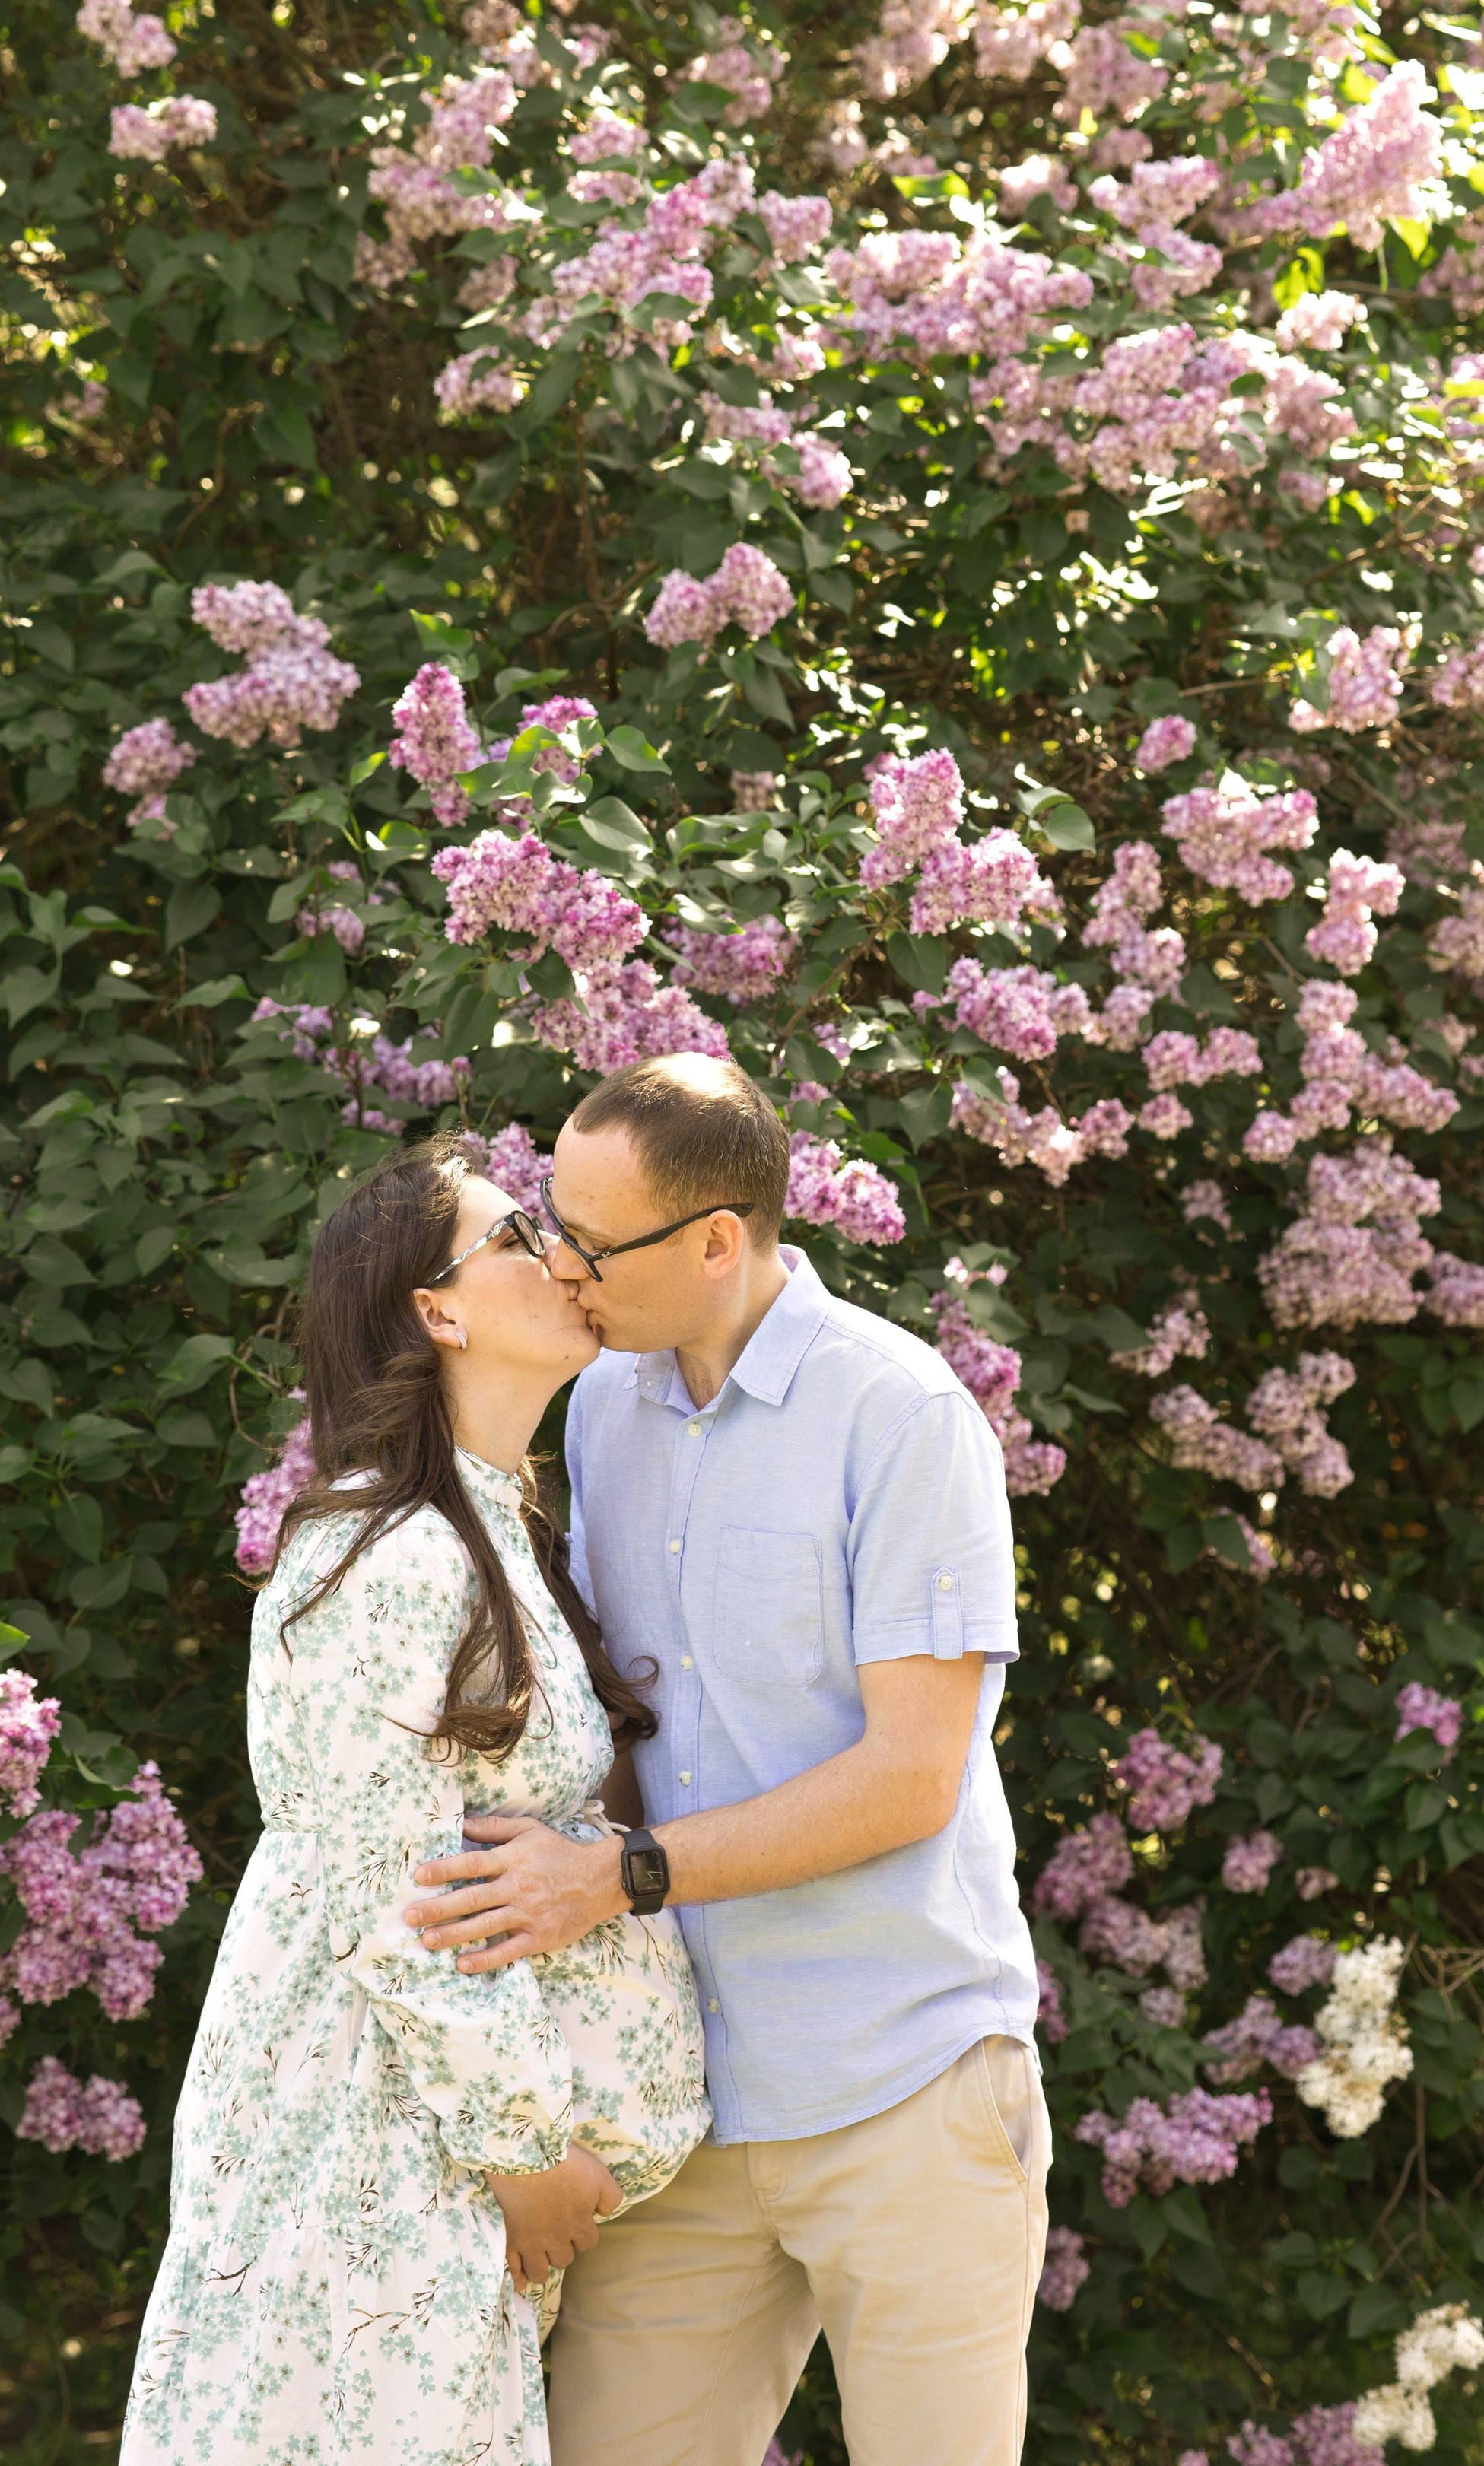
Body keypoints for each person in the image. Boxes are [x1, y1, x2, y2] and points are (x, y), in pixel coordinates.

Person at [404, 1054, 1048, 2466]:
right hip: (681, 2106)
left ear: (715, 1243)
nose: (557, 1264)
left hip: (908, 2086)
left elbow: (909, 1780)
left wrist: (617, 1877)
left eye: (589, 1239)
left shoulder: (903, 1414)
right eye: (547, 1225)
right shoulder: (600, 1410)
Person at [120, 1138, 709, 2466]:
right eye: (516, 1237)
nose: (563, 1256)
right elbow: (389, 1891)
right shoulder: (383, 1558)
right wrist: (524, 2153)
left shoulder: (498, 1528)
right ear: (434, 1311)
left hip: (428, 2167)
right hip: (374, 2165)